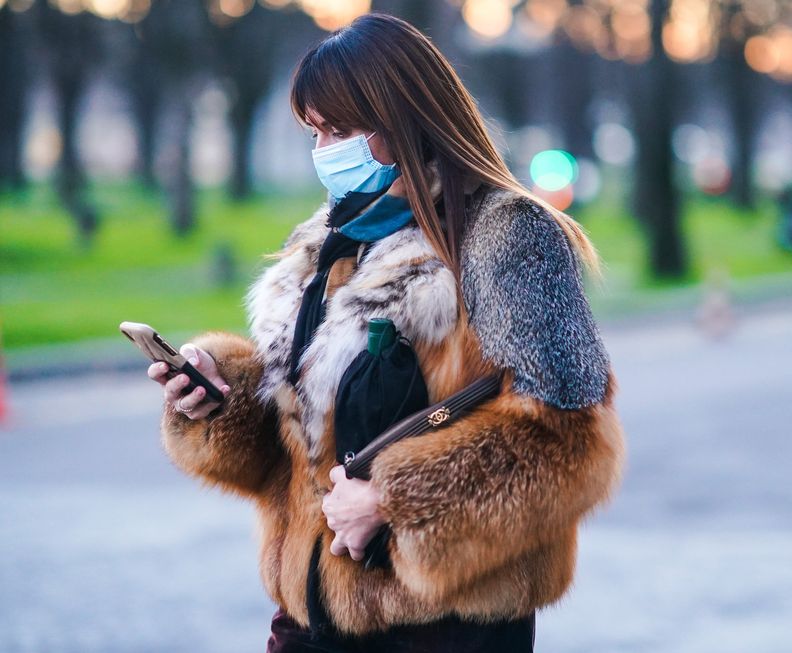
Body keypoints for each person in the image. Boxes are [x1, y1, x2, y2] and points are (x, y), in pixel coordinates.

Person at [147, 12, 625, 652]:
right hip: (310, 621)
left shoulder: (506, 235)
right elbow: (300, 448)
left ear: (406, 117)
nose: (326, 152)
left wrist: (396, 502)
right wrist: (221, 400)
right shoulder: (329, 244)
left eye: (341, 129)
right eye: (316, 132)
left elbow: (571, 438)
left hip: (441, 629)